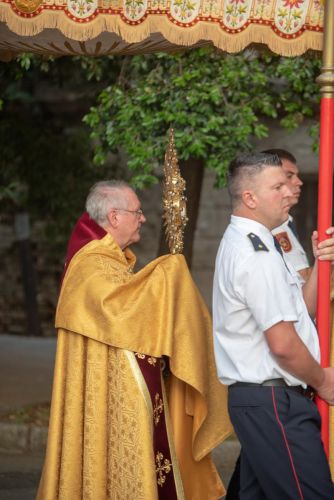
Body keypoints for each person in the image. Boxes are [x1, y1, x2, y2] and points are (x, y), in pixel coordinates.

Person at [37, 180, 232, 500]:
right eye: (137, 212)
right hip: (113, 392)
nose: (142, 218)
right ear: (114, 217)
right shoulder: (91, 264)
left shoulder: (110, 261)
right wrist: (169, 273)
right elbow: (120, 311)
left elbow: (130, 313)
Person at [213, 153, 334, 499]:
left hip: (267, 399)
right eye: (277, 185)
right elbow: (282, 343)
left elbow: (302, 310)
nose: (288, 192)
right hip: (274, 399)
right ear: (250, 198)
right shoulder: (256, 254)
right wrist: (322, 379)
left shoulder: (264, 243)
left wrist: (323, 264)